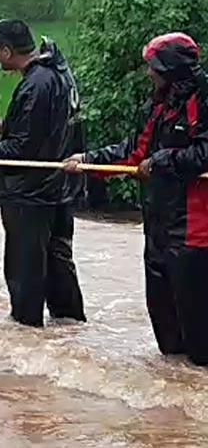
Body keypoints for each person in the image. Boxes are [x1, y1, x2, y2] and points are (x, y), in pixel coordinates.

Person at [65, 33, 208, 363]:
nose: (149, 74)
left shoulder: (203, 100)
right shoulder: (158, 104)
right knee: (167, 337)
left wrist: (161, 161)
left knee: (200, 343)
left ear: (171, 69)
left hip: (194, 235)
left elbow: (203, 152)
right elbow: (133, 153)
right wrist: (89, 161)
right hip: (158, 228)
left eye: (153, 67)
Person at [0, 19, 86, 328]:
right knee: (58, 262)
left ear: (6, 50)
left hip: (31, 192)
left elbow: (24, 147)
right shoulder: (58, 74)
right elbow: (45, 133)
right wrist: (0, 125)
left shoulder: (36, 83)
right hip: (59, 187)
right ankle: (70, 332)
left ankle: (25, 333)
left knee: (25, 267)